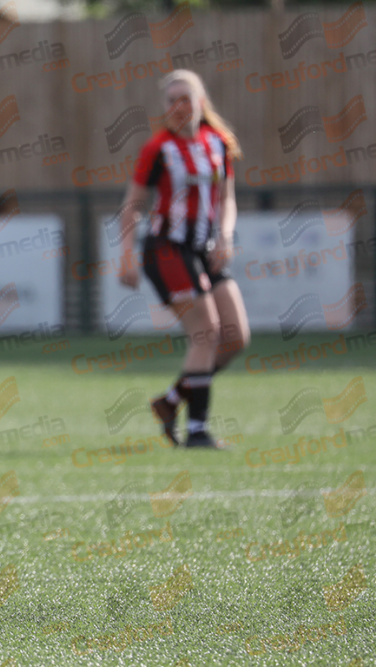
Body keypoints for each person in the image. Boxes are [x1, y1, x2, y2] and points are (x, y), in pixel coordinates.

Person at [117, 69, 250, 449]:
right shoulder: (158, 148)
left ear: (201, 102)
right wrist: (126, 255)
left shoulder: (218, 143)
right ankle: (196, 431)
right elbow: (132, 207)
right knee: (205, 332)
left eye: (184, 99)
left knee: (235, 336)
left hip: (205, 249)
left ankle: (172, 400)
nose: (178, 107)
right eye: (171, 100)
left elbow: (227, 199)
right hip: (166, 249)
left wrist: (224, 235)